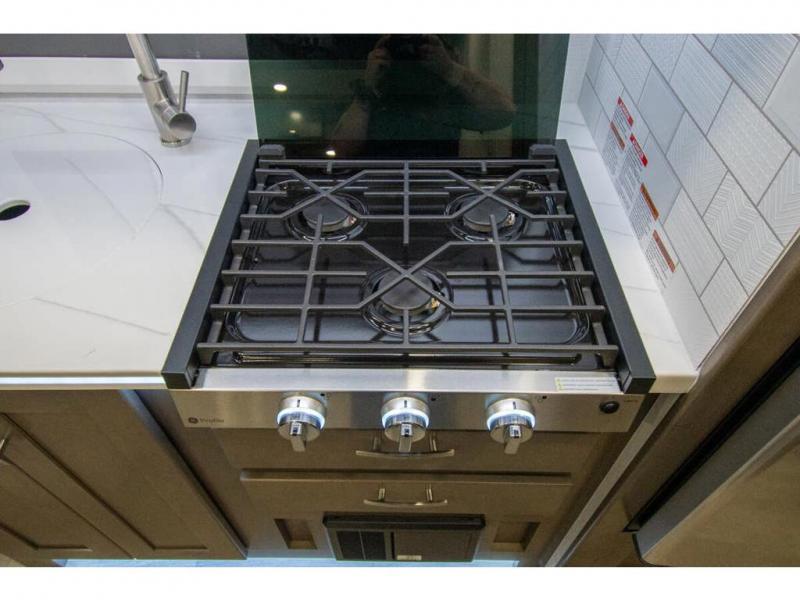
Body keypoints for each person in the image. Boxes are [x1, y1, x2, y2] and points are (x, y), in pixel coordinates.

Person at [330, 35, 516, 157]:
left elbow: (503, 114)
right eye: (396, 45)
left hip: (442, 189)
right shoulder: (371, 96)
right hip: (377, 190)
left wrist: (449, 69)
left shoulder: (448, 94)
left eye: (421, 45)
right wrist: (369, 84)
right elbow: (342, 151)